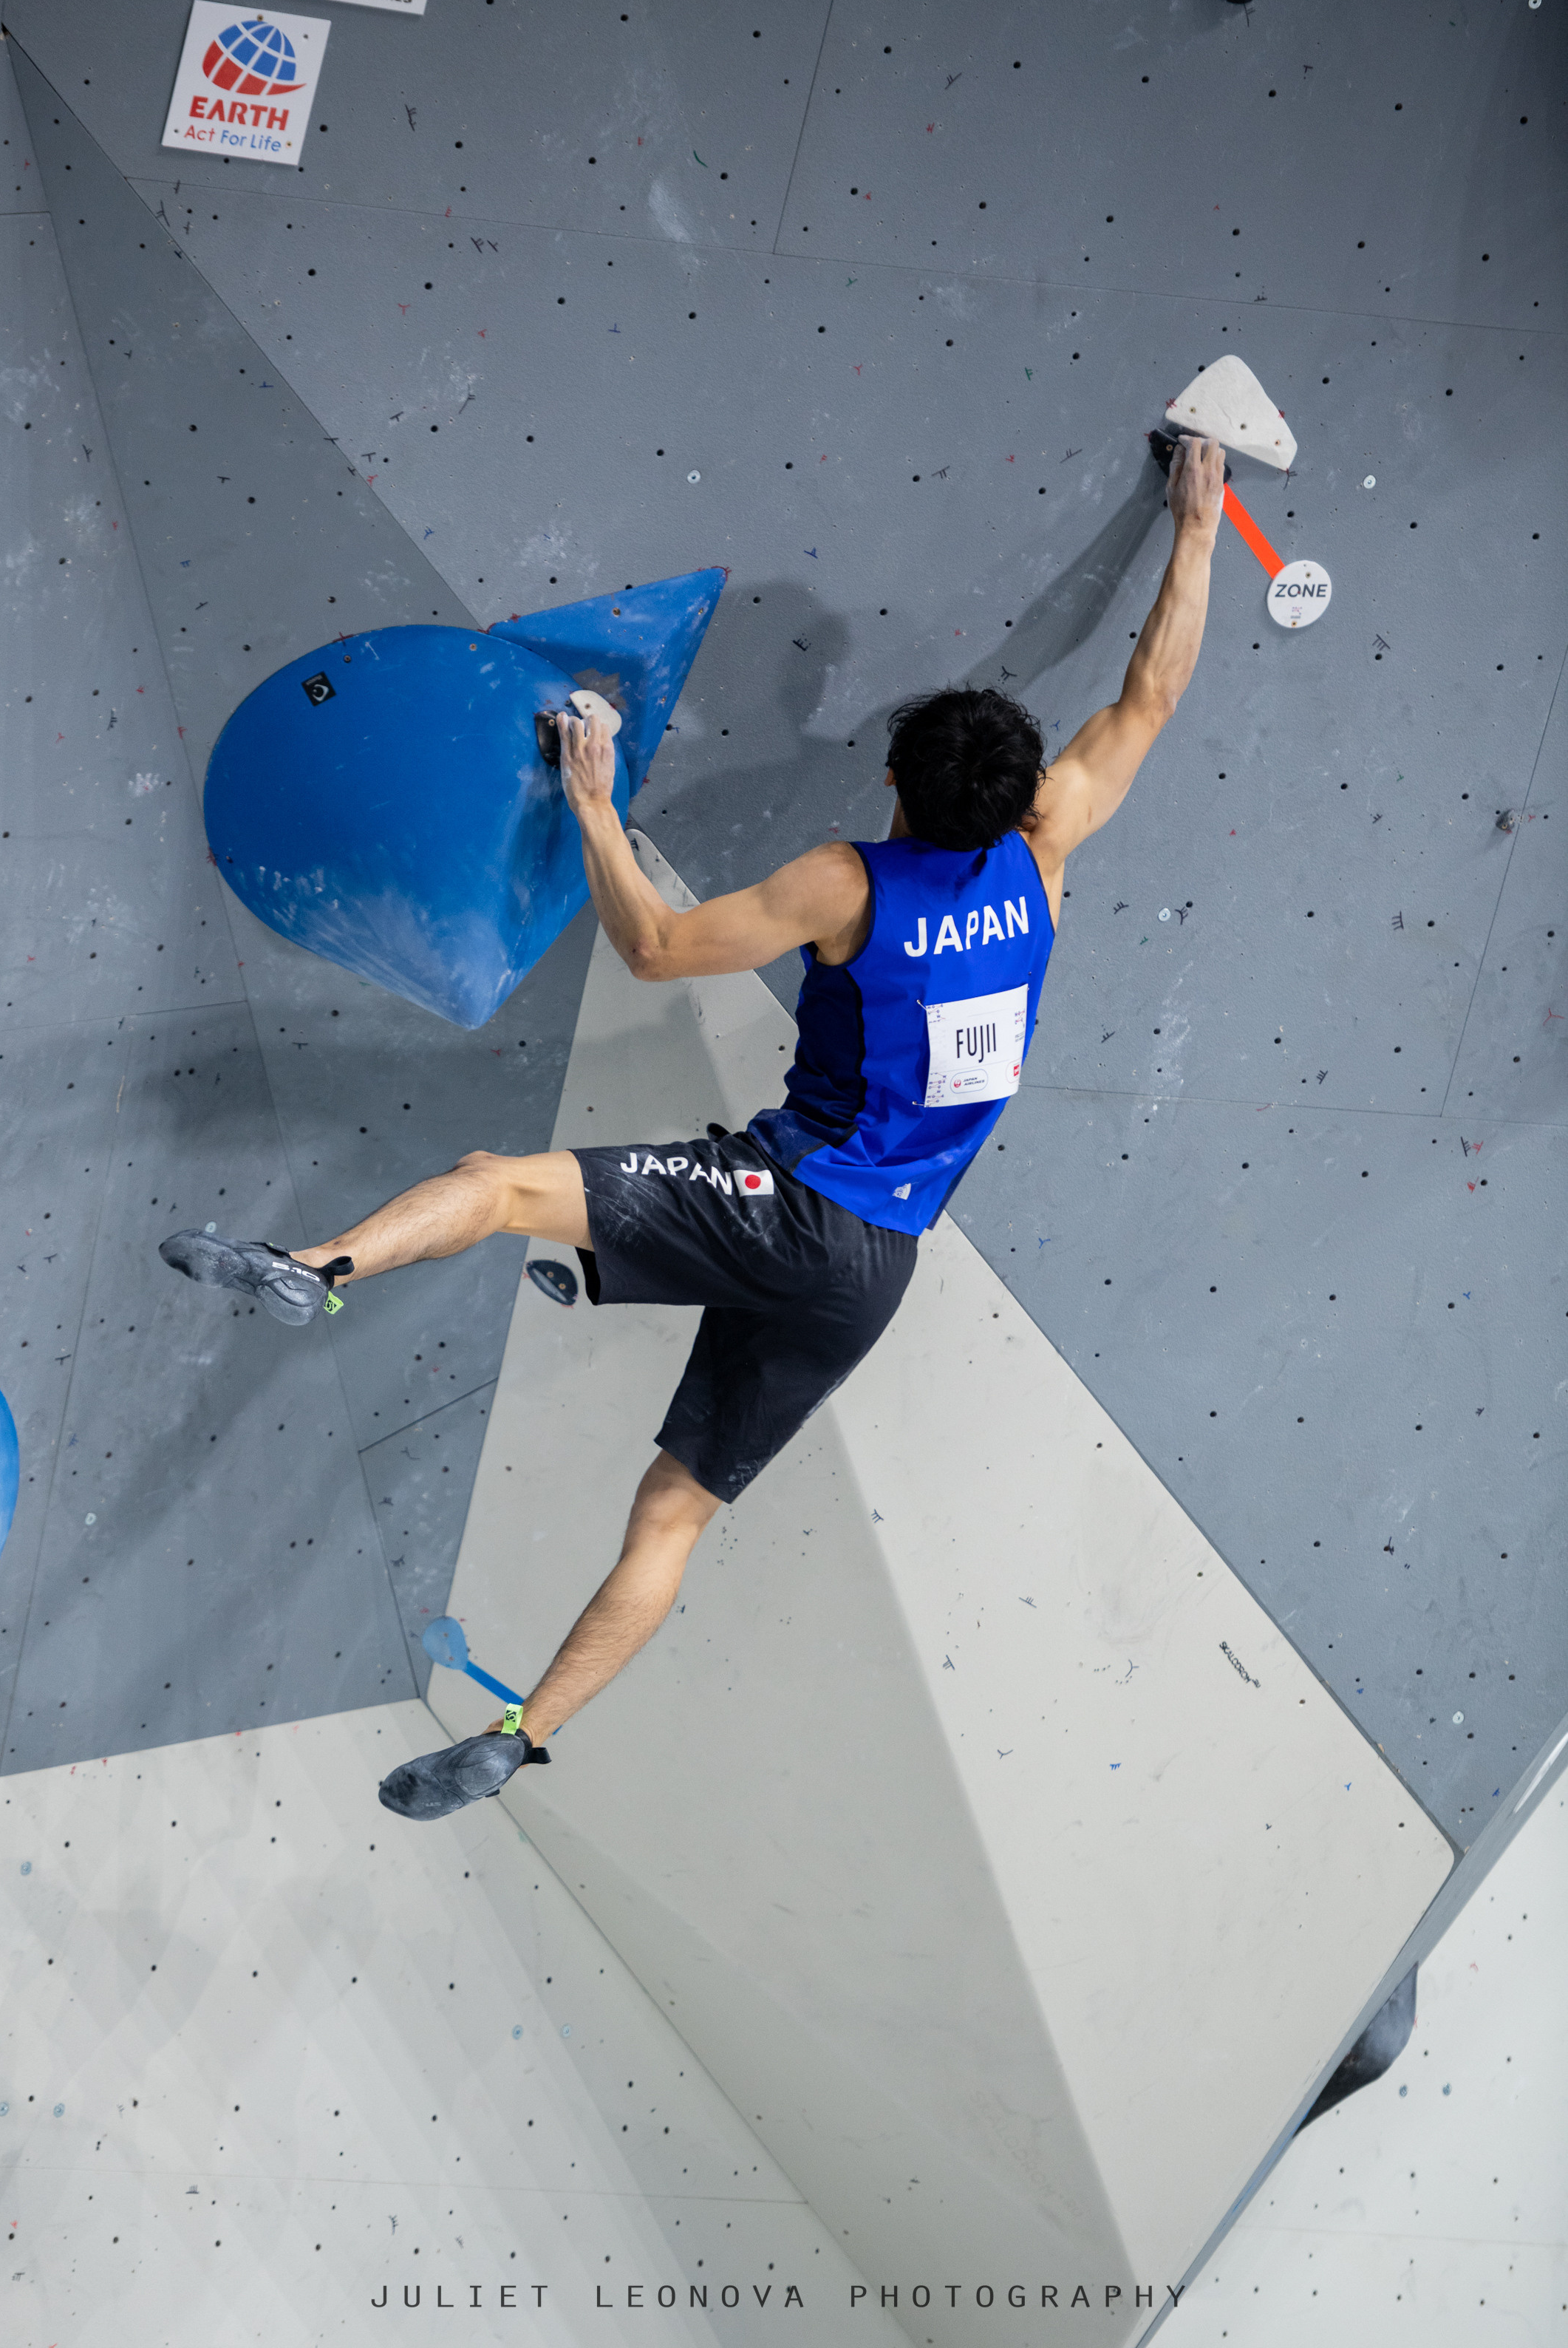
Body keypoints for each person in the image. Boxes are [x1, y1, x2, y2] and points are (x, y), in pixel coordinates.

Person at [162, 437, 1227, 1817]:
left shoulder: (849, 882)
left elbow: (657, 946)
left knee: (497, 1184)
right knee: (674, 1515)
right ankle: (522, 1738)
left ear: (895, 791)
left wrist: (596, 805)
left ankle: (313, 1273)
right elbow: (1151, 692)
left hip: (788, 1201)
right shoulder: (1046, 855)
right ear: (1020, 801)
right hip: (877, 1271)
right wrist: (1197, 529)